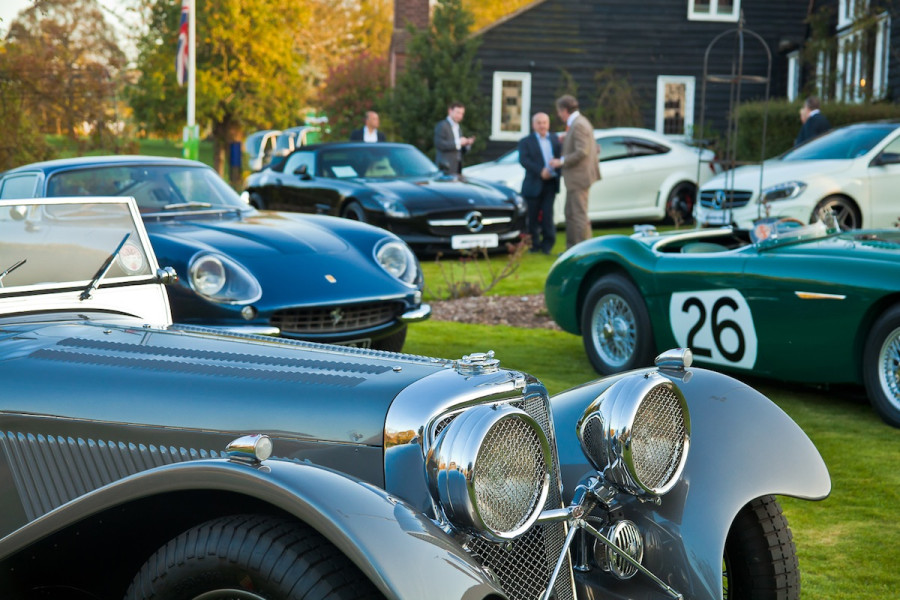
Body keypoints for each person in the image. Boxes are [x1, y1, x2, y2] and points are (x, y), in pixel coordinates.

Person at [549, 95, 600, 248]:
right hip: (576, 179)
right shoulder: (578, 123)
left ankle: (583, 250)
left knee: (578, 216)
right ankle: (571, 249)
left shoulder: (579, 125)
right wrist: (567, 138)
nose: (559, 115)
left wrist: (561, 161)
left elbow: (582, 151)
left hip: (579, 178)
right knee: (570, 214)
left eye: (559, 111)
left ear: (565, 110)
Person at [518, 112, 561, 254]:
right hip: (533, 184)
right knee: (532, 216)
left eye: (544, 122)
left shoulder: (555, 139)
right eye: (539, 123)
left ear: (548, 124)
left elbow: (561, 157)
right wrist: (540, 171)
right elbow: (524, 160)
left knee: (548, 216)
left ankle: (547, 245)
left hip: (551, 183)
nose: (542, 125)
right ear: (533, 125)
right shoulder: (526, 141)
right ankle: (533, 245)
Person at [434, 101, 476, 174]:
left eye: (462, 114)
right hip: (445, 168)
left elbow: (458, 149)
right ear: (450, 111)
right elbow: (440, 145)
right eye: (458, 112)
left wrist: (467, 144)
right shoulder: (442, 125)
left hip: (457, 167)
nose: (460, 116)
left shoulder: (458, 127)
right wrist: (458, 142)